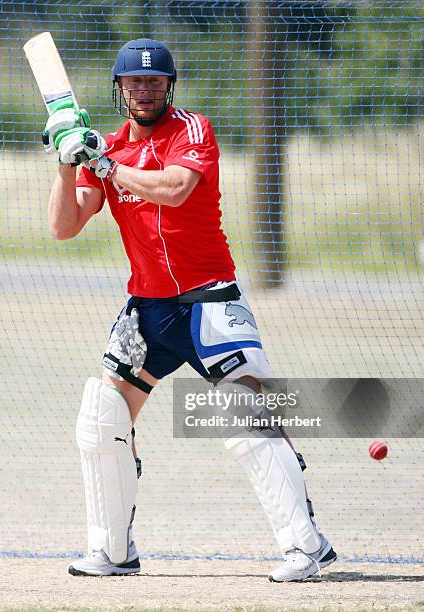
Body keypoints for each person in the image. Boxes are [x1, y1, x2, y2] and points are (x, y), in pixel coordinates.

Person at [44, 38, 337, 582]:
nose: (145, 91)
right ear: (119, 89)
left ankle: (306, 546)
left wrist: (103, 163)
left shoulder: (191, 130)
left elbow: (175, 189)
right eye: (134, 82)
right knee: (101, 416)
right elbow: (63, 227)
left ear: (169, 87)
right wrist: (67, 160)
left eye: (155, 82)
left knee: (248, 415)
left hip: (209, 301)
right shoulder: (105, 148)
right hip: (148, 311)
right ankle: (113, 550)